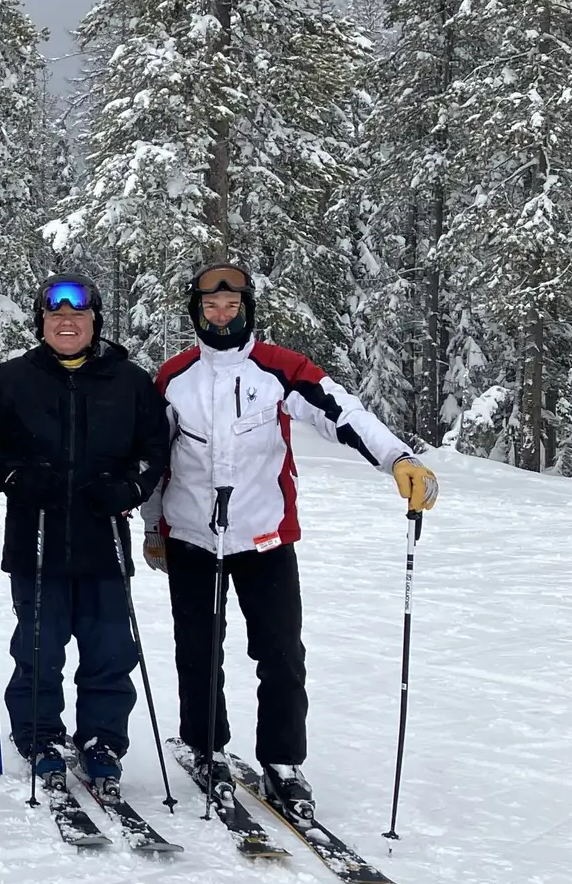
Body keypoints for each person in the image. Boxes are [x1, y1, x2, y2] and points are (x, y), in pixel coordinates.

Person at [141, 261, 438, 822]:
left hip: (265, 535)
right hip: (191, 537)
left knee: (280, 655)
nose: (221, 317)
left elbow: (342, 412)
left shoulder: (279, 368)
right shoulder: (174, 377)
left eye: (232, 307)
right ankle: (205, 747)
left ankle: (281, 762)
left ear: (247, 309)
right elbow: (158, 460)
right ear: (196, 312)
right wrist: (154, 527)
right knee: (197, 654)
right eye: (211, 307)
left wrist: (398, 458)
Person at [0, 275, 170, 794]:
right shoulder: (12, 378)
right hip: (35, 534)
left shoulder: (128, 379)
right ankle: (39, 735)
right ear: (41, 322)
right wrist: (14, 477)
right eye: (56, 315)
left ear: (94, 321)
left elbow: (154, 448)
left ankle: (102, 740)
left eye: (77, 316)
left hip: (103, 534)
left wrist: (130, 486)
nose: (66, 323)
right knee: (38, 645)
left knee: (109, 648)